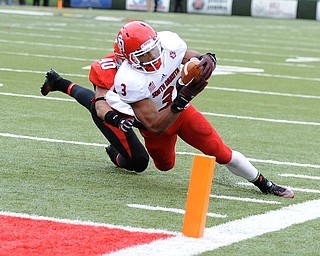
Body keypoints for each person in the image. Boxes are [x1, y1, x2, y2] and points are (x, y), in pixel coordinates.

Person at [110, 21, 294, 198]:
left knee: (221, 151)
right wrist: (182, 99)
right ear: (130, 59)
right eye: (143, 55)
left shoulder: (169, 44)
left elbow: (189, 57)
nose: (152, 57)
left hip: (183, 112)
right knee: (165, 165)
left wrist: (205, 59)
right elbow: (156, 126)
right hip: (160, 124)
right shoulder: (129, 79)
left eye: (153, 50)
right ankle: (119, 156)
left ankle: (265, 184)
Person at [40, 42, 149, 173]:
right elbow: (101, 107)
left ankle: (59, 83)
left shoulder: (152, 60)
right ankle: (115, 152)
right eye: (141, 54)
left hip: (127, 107)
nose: (148, 57)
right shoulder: (109, 69)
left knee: (92, 101)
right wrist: (117, 120)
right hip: (113, 113)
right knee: (139, 162)